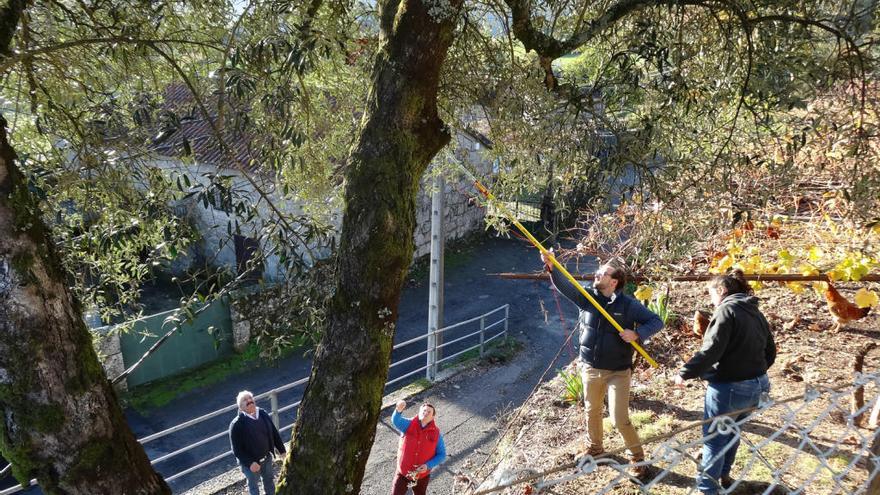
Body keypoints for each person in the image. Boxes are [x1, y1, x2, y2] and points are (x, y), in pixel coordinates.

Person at [541, 250, 664, 479]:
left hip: (618, 371)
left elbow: (657, 321)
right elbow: (565, 286)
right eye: (599, 271)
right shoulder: (588, 298)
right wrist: (552, 267)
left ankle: (638, 459)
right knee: (592, 411)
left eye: (603, 273)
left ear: (614, 281)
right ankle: (596, 448)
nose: (597, 274)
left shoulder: (628, 305)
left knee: (619, 418)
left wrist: (637, 334)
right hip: (591, 367)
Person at [675, 269, 776, 494]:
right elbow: (770, 351)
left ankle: (707, 489)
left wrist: (685, 372)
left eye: (711, 294)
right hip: (759, 385)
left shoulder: (726, 310)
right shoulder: (754, 310)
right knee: (732, 431)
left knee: (714, 439)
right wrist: (754, 372)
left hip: (731, 389)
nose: (711, 300)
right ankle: (724, 476)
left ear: (721, 290)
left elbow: (711, 351)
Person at [229, 391, 286, 495]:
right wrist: (250, 463)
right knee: (253, 486)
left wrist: (282, 451)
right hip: (250, 464)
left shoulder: (263, 414)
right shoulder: (237, 424)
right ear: (240, 407)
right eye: (245, 400)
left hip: (266, 458)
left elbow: (274, 433)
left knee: (269, 481)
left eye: (250, 398)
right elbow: (236, 450)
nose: (249, 401)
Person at [390, 400, 447, 495]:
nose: (426, 413)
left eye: (429, 412)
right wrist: (398, 410)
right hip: (403, 474)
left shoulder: (436, 433)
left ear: (433, 417)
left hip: (422, 476)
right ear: (419, 413)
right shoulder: (408, 424)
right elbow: (396, 420)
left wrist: (428, 465)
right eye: (424, 410)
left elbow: (442, 454)